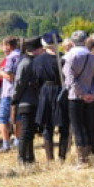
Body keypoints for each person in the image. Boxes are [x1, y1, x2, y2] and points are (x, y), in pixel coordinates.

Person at [63, 30, 94, 166]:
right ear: (85, 41)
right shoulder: (92, 57)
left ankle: (82, 160)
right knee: (87, 125)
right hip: (90, 97)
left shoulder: (69, 57)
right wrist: (93, 93)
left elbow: (70, 81)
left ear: (72, 42)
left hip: (75, 97)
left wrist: (82, 93)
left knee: (78, 127)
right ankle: (87, 156)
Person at [34, 32, 68, 162]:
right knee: (63, 126)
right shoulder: (63, 58)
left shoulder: (38, 60)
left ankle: (50, 158)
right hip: (61, 91)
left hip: (46, 91)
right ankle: (62, 157)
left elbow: (36, 79)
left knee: (48, 126)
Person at [12, 36, 45, 164]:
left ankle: (28, 158)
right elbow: (20, 83)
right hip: (29, 101)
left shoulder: (29, 62)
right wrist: (15, 99)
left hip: (30, 101)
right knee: (26, 132)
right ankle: (23, 158)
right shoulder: (28, 63)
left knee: (28, 132)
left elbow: (19, 83)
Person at [0, 37, 22, 152]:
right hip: (19, 91)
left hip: (8, 92)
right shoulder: (22, 55)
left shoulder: (11, 58)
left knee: (2, 118)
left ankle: (6, 144)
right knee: (18, 118)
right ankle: (18, 141)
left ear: (8, 46)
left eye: (3, 45)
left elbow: (9, 77)